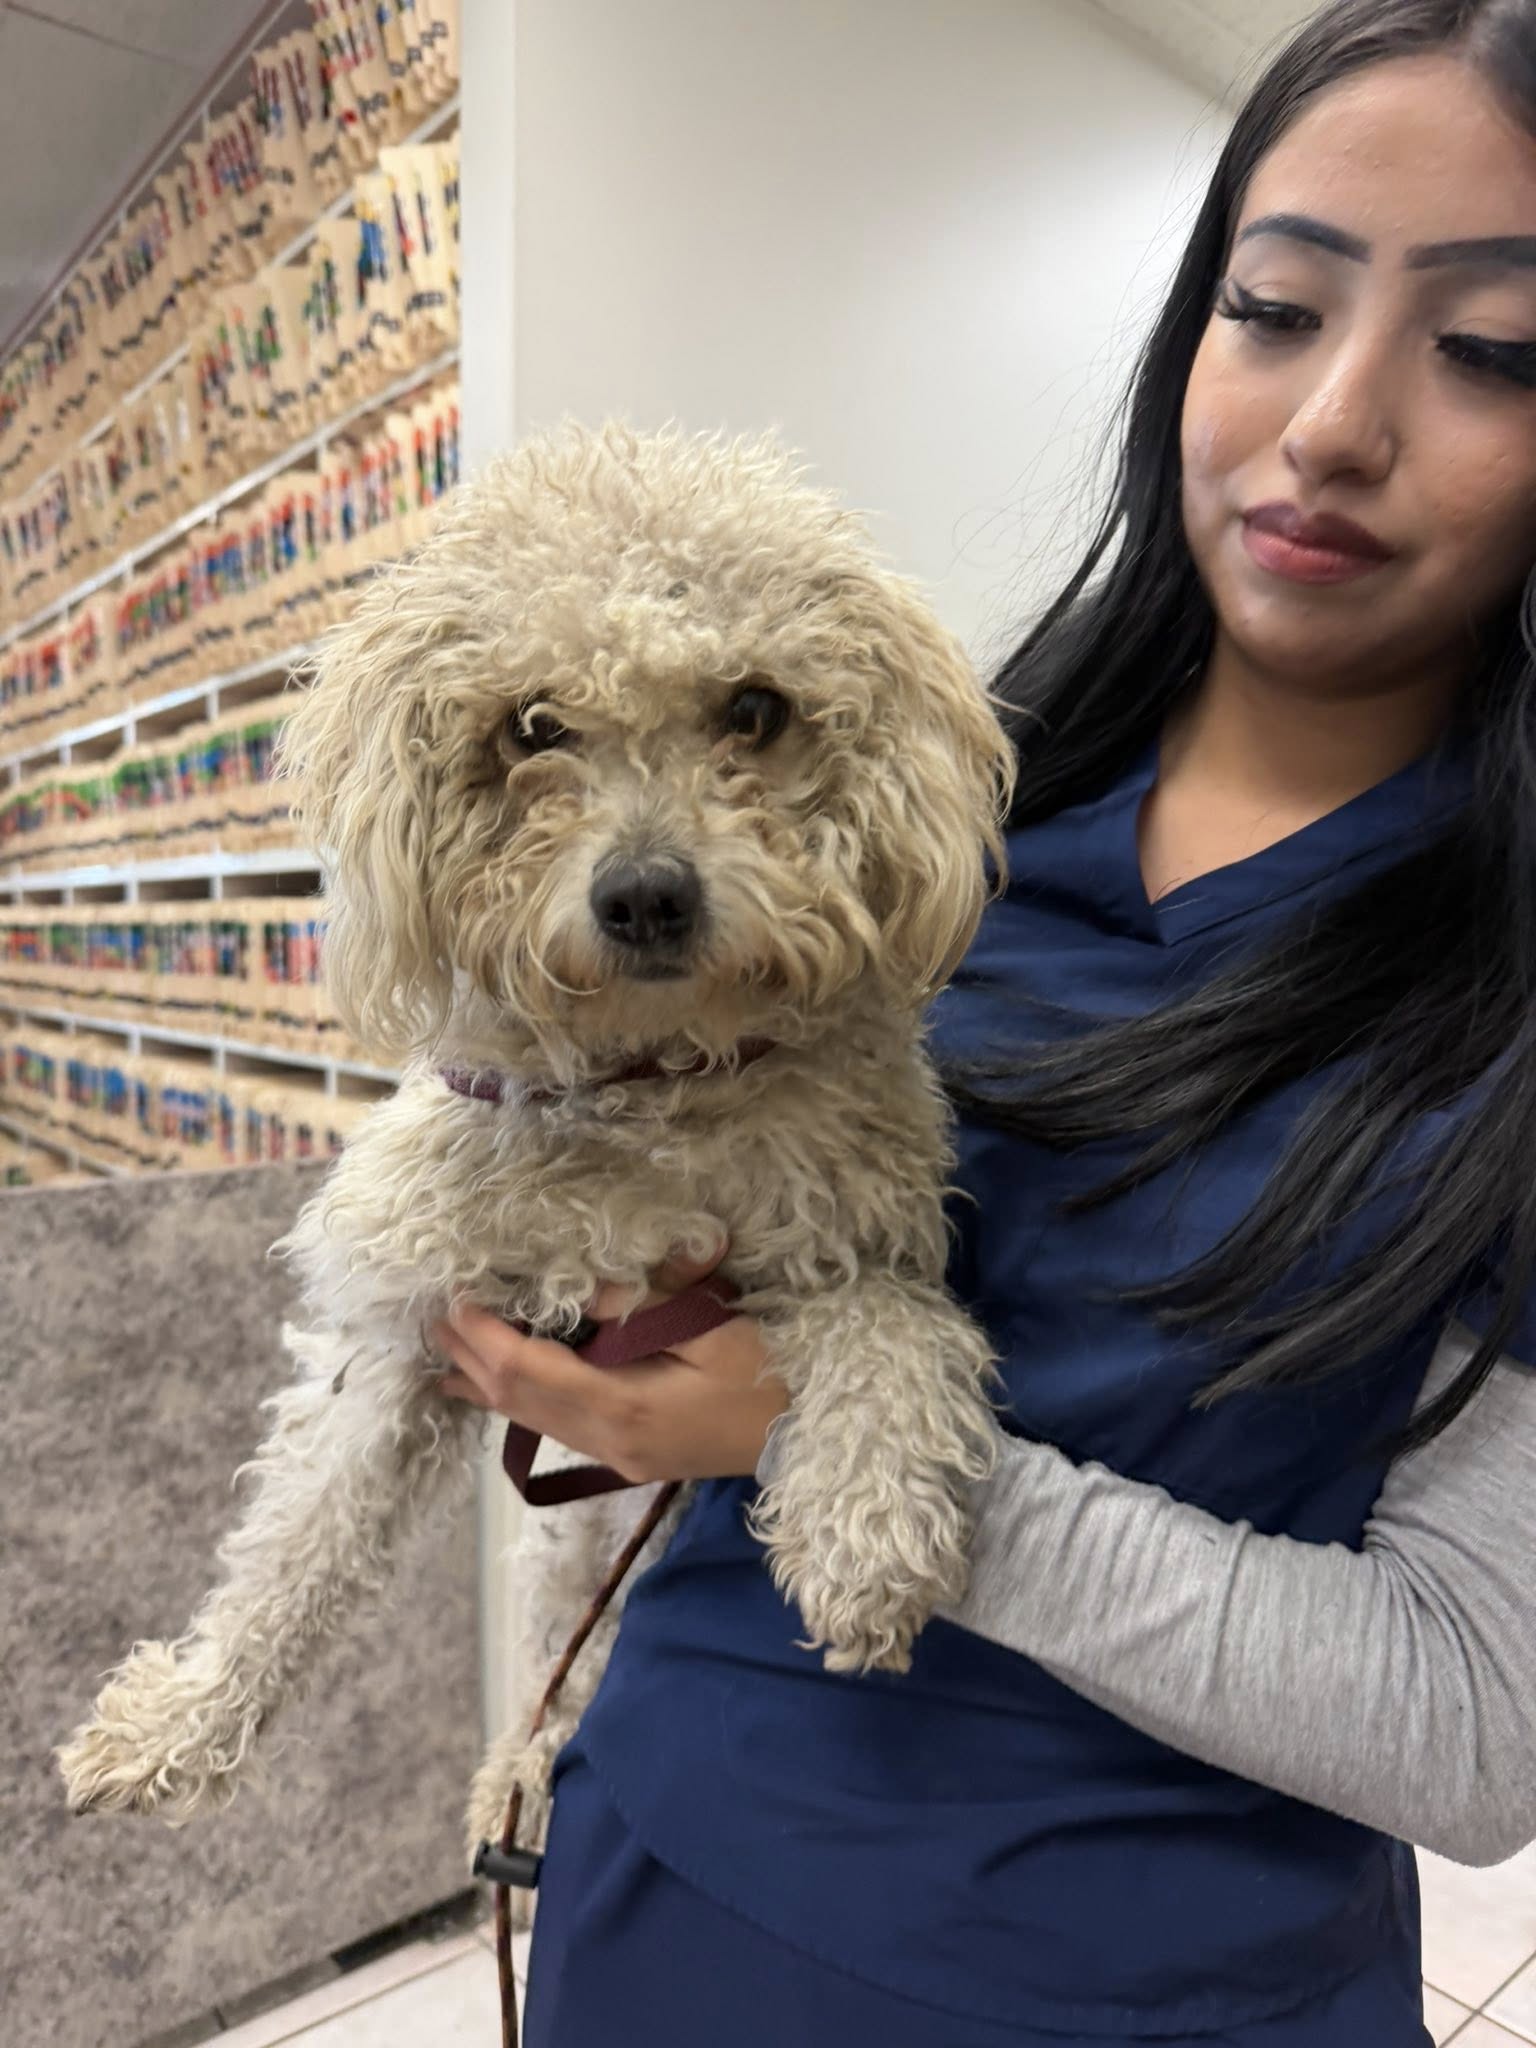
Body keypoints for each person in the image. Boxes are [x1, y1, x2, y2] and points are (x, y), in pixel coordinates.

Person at [433, 1, 1536, 2038]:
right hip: (661, 1859)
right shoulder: (942, 795)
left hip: (1132, 1983)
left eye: (1495, 351)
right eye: (1275, 305)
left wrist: (848, 1446)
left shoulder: (1491, 990)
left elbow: (1474, 1722)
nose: (1334, 423)